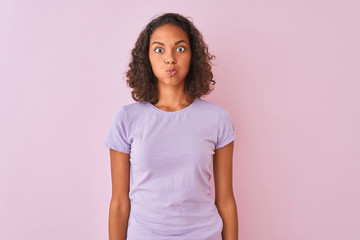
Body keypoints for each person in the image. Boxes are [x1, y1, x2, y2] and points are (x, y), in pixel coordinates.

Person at [103, 12, 238, 240]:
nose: (170, 58)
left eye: (180, 48)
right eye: (159, 49)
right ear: (146, 58)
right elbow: (119, 202)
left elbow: (225, 200)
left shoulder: (217, 119)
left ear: (192, 56)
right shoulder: (126, 119)